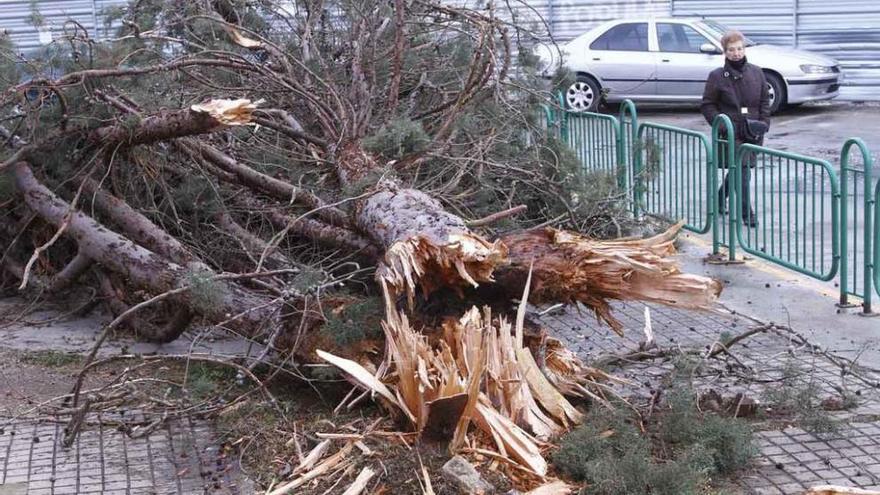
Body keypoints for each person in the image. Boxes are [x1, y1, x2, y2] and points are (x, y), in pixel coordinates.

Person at [701, 30, 771, 227]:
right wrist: (722, 125)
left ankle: (719, 198)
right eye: (731, 50)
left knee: (740, 168)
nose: (736, 53)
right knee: (743, 172)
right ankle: (746, 213)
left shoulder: (757, 72)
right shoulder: (717, 76)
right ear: (725, 52)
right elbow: (707, 105)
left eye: (739, 48)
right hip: (731, 132)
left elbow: (765, 101)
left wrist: (764, 124)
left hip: (753, 129)